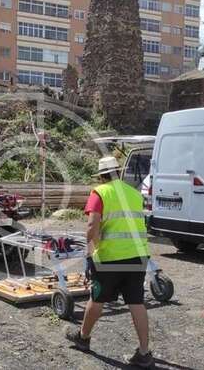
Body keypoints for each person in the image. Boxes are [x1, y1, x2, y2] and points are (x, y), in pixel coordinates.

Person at [64, 157, 154, 368]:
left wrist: (89, 253)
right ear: (118, 172)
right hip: (138, 256)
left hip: (110, 259)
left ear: (101, 176)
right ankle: (144, 352)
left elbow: (92, 226)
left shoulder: (100, 193)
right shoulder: (133, 193)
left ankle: (83, 338)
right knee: (136, 302)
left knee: (97, 299)